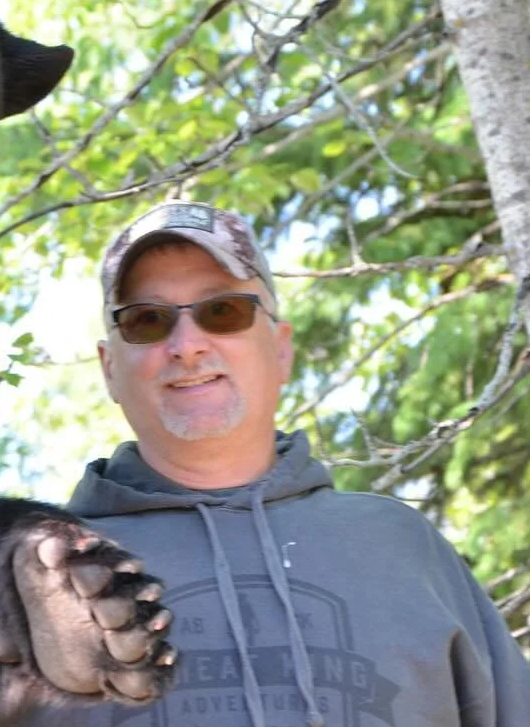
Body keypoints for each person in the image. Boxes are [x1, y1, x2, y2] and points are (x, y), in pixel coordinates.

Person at [35, 201, 530, 727]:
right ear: (110, 368)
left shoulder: (402, 546)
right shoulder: (45, 580)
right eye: (147, 321)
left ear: (281, 348)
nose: (187, 346)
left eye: (222, 311)